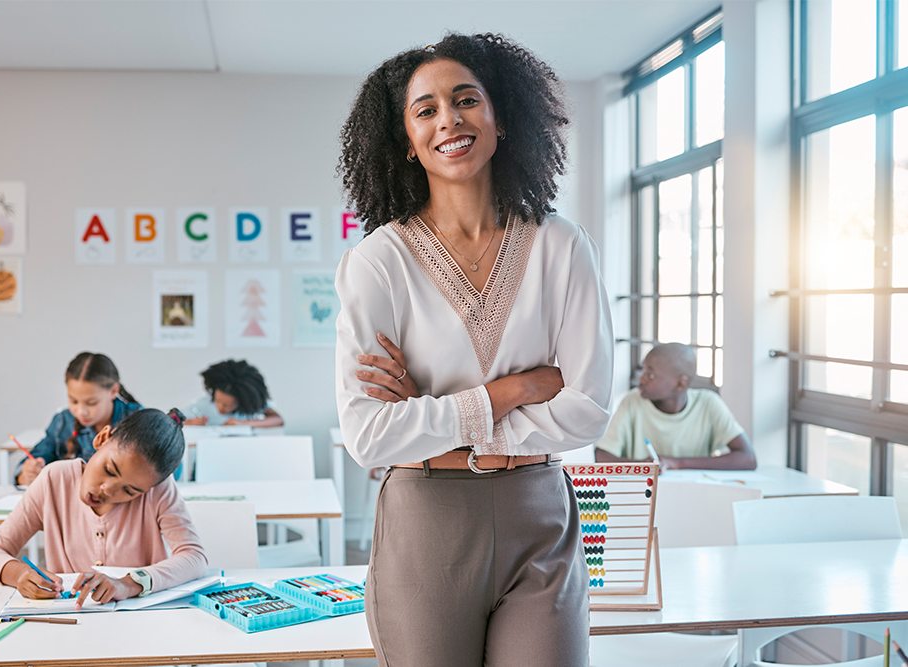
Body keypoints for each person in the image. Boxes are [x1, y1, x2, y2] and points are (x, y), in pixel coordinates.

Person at [335, 33, 613, 666]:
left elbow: (587, 409)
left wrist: (433, 418)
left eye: (466, 100)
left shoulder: (563, 246)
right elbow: (370, 436)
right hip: (426, 520)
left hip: (538, 511)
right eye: (426, 109)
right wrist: (508, 392)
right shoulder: (378, 262)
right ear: (405, 139)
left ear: (501, 118)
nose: (449, 120)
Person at [0, 408, 206, 606]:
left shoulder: (158, 490)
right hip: (67, 623)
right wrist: (18, 574)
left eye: (129, 491)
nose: (108, 489)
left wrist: (130, 583)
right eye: (109, 469)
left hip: (135, 623)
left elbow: (194, 557)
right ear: (102, 438)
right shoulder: (54, 480)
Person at [594, 342, 757, 470]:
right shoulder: (632, 401)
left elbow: (747, 458)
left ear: (681, 383)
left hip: (694, 496)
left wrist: (677, 463)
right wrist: (643, 467)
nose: (641, 379)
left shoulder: (708, 403)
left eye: (650, 374)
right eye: (642, 371)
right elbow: (601, 455)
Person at [16, 352, 142, 486]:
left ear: (113, 391)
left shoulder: (138, 421)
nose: (81, 411)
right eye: (74, 401)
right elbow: (30, 463)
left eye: (91, 402)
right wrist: (26, 474)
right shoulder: (63, 422)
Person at [183, 359, 283, 428]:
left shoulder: (252, 406)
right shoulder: (204, 404)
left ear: (242, 401)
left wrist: (243, 423)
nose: (220, 407)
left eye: (227, 405)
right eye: (217, 401)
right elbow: (173, 422)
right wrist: (190, 422)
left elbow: (278, 420)